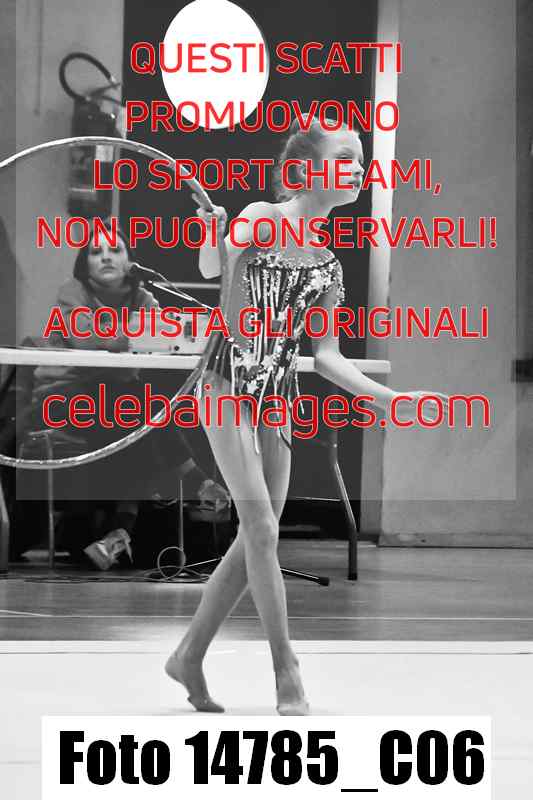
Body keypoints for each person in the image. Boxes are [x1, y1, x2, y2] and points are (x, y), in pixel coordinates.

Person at [164, 118, 449, 714]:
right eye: (344, 157)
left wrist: (390, 400)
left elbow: (327, 357)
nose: (358, 169)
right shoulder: (262, 217)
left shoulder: (328, 264)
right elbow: (215, 268)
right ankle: (285, 668)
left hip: (278, 396)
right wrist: (213, 232)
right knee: (262, 529)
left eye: (361, 159)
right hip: (226, 381)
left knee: (257, 534)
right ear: (304, 170)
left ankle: (188, 655)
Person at [28, 220, 229, 568]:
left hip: (116, 401)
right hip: (61, 397)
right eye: (96, 252)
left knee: (136, 422)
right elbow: (87, 340)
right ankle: (194, 479)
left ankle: (118, 535)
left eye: (115, 250)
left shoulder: (143, 297)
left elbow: (164, 339)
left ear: (130, 261)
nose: (106, 257)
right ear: (84, 263)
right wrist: (136, 333)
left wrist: (156, 335)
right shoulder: (72, 292)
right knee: (138, 410)